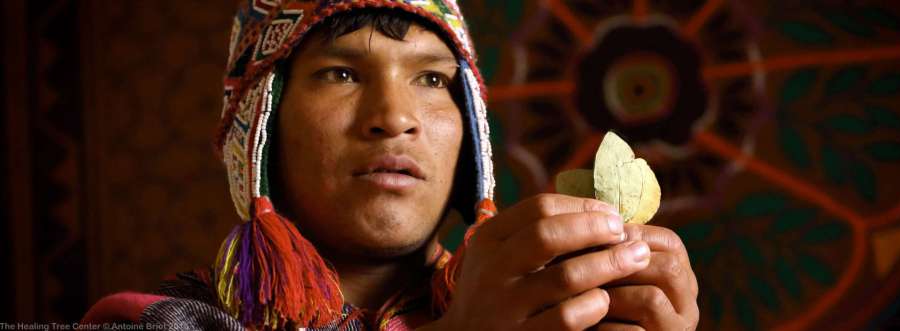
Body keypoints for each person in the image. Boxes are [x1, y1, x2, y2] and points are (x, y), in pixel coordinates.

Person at [82, 1, 699, 330]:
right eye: (342, 73)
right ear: (260, 131)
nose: (394, 115)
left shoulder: (554, 317)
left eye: (432, 79)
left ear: (471, 140)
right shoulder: (165, 324)